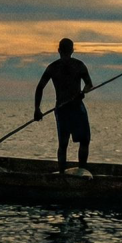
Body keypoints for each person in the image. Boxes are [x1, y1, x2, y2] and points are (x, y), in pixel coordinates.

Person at [34, 38, 94, 173]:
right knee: (68, 142)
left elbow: (88, 85)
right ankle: (68, 173)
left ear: (59, 50)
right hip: (64, 109)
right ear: (72, 50)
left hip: (74, 107)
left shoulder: (67, 66)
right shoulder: (64, 66)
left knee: (78, 141)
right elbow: (89, 84)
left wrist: (82, 92)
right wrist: (37, 109)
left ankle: (80, 172)